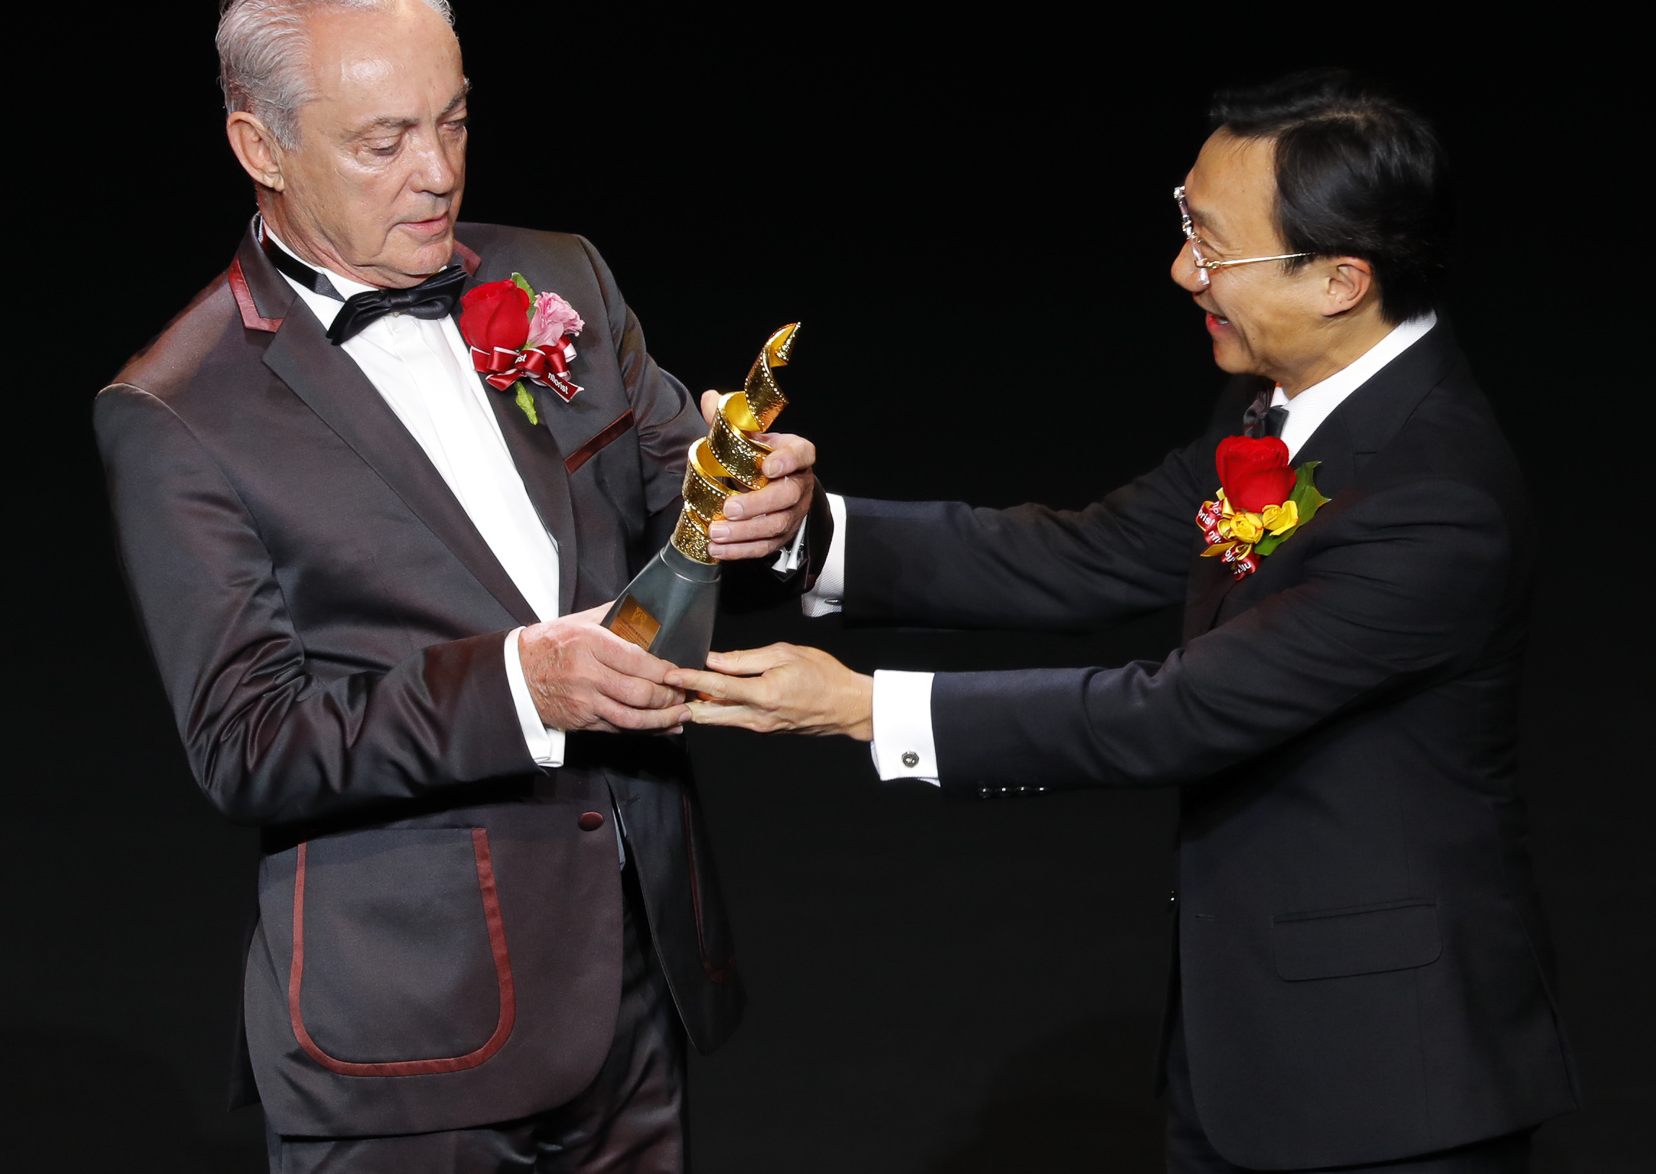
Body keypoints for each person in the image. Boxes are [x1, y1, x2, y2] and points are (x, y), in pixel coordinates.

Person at [674, 70, 1581, 1172]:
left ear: (1341, 279)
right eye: (1185, 223)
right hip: (1243, 1045)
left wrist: (863, 708)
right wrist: (807, 530)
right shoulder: (1280, 405)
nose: (1183, 270)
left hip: (1390, 1076)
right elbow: (1087, 553)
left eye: (1214, 246)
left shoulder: (1435, 499)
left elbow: (1179, 712)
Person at [95, 0, 822, 1171]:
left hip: (633, 982)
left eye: (454, 120)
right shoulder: (178, 408)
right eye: (382, 142)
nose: (436, 172)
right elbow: (249, 742)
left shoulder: (559, 274)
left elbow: (678, 503)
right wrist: (519, 686)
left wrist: (761, 504)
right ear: (260, 147)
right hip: (404, 1042)